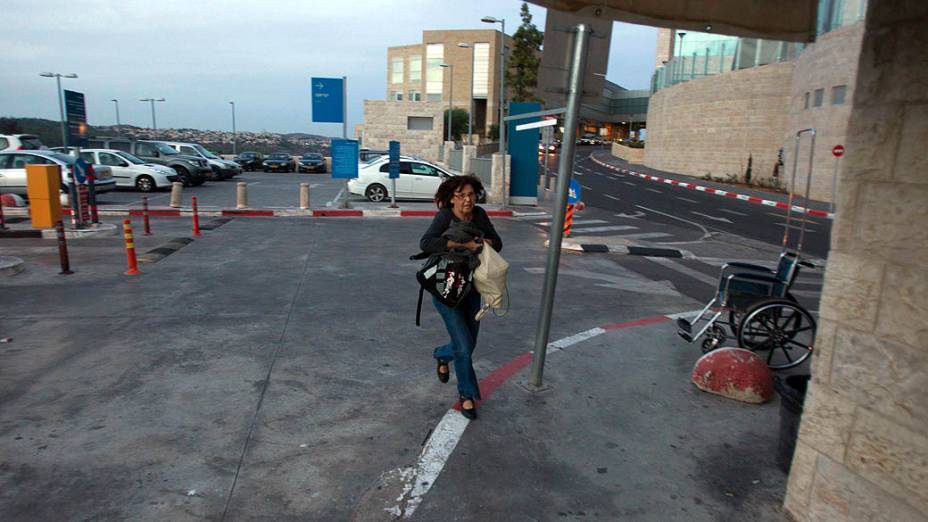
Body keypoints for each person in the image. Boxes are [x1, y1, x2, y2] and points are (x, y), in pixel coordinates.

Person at [419, 175, 502, 420]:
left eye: (470, 194)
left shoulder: (480, 215)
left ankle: (441, 354)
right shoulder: (445, 216)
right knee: (464, 346)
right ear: (452, 197)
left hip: (472, 288)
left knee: (467, 344)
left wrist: (483, 242)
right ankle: (466, 395)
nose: (467, 199)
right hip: (446, 289)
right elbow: (426, 243)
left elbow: (497, 243)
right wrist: (462, 244)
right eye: (461, 195)